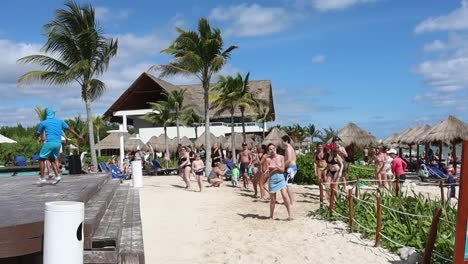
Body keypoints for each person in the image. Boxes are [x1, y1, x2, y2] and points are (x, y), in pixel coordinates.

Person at [36, 108, 83, 185]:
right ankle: (57, 176)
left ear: (47, 115)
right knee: (52, 159)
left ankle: (42, 177)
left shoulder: (44, 123)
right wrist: (78, 136)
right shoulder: (60, 121)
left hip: (50, 143)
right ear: (53, 114)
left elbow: (38, 132)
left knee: (41, 159)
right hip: (58, 143)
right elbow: (69, 129)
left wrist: (37, 137)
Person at [265, 143, 292, 220]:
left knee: (284, 195)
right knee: (273, 200)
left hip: (281, 179)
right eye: (270, 149)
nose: (272, 150)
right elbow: (267, 171)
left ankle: (290, 214)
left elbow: (283, 170)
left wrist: (275, 168)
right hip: (272, 180)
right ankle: (271, 216)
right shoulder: (268, 159)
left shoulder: (281, 157)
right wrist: (269, 170)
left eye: (273, 148)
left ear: (275, 148)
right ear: (268, 151)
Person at [281, 135, 297, 206]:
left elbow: (289, 159)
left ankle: (291, 202)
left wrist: (283, 166)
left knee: (288, 185)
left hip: (291, 168)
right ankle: (290, 201)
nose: (281, 143)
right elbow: (295, 158)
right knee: (287, 185)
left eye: (282, 141)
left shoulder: (288, 148)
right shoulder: (291, 148)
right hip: (292, 168)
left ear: (285, 141)